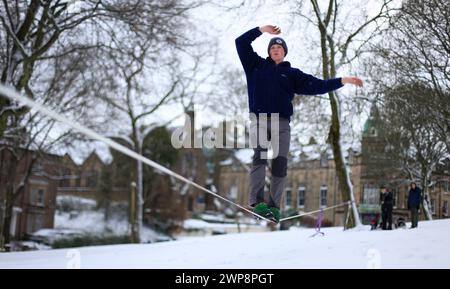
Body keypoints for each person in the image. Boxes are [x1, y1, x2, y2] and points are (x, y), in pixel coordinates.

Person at [235, 25, 363, 222]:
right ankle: (257, 203)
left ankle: (274, 206)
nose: (275, 50)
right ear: (268, 52)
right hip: (259, 120)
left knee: (280, 164)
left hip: (283, 123)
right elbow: (240, 42)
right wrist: (261, 30)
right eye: (272, 48)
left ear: (284, 52)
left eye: (279, 48)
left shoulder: (293, 74)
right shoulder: (255, 65)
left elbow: (318, 85)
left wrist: (342, 80)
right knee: (259, 158)